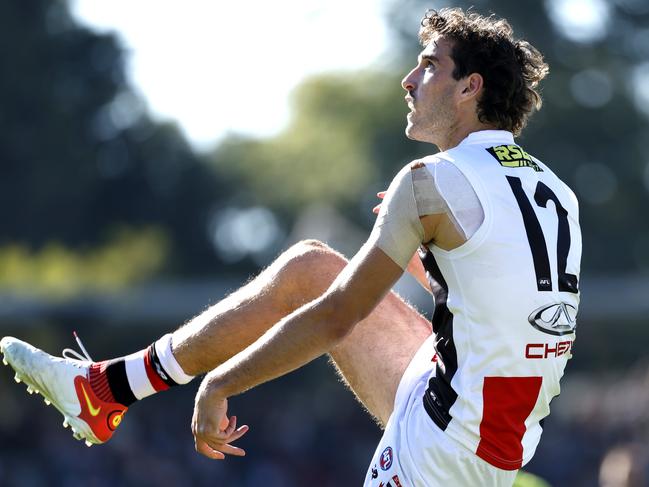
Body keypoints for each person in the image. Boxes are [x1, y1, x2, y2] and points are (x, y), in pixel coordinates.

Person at [1, 8, 581, 486]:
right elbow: (511, 313)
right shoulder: (555, 191)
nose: (408, 80)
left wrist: (221, 383)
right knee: (312, 267)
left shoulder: (430, 181)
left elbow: (335, 319)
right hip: (491, 430)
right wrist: (420, 260)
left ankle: (111, 391)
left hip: (441, 454)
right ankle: (104, 390)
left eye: (429, 66)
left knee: (320, 286)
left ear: (469, 87)